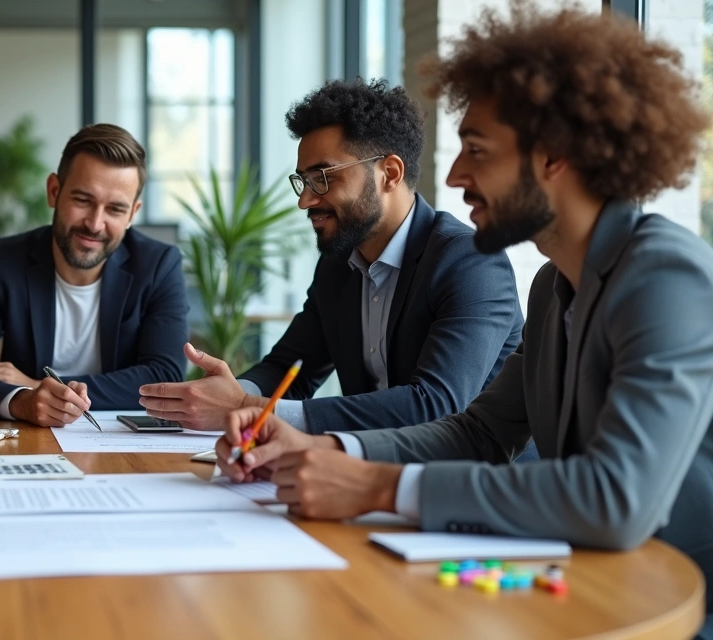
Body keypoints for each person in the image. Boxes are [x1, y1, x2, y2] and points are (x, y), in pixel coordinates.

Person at [215, 4, 713, 636]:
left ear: (554, 156)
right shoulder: (554, 286)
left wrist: (376, 487)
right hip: (585, 584)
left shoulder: (666, 275)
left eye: (476, 150)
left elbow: (616, 500)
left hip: (671, 604)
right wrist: (325, 451)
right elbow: (478, 433)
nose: (454, 175)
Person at [140, 79, 524, 438]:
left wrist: (249, 409)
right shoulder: (340, 263)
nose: (305, 200)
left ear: (389, 173)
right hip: (372, 472)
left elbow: (434, 406)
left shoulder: (469, 261)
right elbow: (291, 367)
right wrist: (221, 393)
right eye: (303, 181)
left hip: (478, 490)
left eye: (323, 177)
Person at [0, 124, 188, 426]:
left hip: (121, 437)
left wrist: (36, 384)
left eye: (115, 210)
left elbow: (165, 376)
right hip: (29, 434)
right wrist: (22, 400)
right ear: (54, 191)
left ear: (133, 214)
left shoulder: (160, 265)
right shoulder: (0, 260)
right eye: (83, 200)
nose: (95, 224)